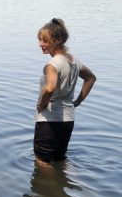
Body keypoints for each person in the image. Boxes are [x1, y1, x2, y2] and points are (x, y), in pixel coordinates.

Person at [33, 18, 96, 163]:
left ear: (58, 40)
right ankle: (69, 177)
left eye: (45, 41)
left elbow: (50, 87)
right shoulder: (74, 61)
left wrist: (42, 104)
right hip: (68, 119)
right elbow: (91, 78)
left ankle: (53, 177)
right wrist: (77, 102)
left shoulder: (52, 64)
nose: (41, 44)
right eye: (40, 40)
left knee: (42, 162)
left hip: (49, 120)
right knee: (59, 159)